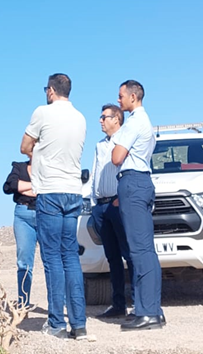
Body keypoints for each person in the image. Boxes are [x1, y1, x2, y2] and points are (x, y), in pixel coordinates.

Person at [21, 73, 88, 340]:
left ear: (50, 91)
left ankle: (57, 323)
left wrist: (38, 152)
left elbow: (25, 145)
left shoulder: (42, 112)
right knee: (70, 256)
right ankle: (79, 324)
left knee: (51, 259)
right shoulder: (81, 117)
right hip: (73, 190)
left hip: (49, 191)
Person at [110, 79, 165, 330]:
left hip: (133, 181)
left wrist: (122, 149)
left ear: (133, 97)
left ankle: (148, 312)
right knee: (144, 249)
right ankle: (151, 308)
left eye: (121, 96)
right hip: (139, 182)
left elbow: (116, 157)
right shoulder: (145, 122)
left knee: (139, 250)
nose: (119, 101)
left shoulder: (134, 123)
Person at [89, 103, 132, 319]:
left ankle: (139, 302)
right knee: (112, 258)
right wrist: (92, 201)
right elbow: (95, 172)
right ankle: (118, 304)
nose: (100, 121)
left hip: (118, 204)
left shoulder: (125, 141)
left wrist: (120, 199)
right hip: (101, 206)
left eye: (104, 117)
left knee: (130, 254)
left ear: (117, 119)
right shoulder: (99, 145)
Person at [1, 158, 37, 308]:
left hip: (46, 213)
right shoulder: (19, 166)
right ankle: (23, 303)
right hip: (23, 215)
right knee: (24, 263)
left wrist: (24, 187)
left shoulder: (51, 167)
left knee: (53, 261)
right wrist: (36, 186)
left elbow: (51, 189)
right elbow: (10, 186)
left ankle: (58, 305)